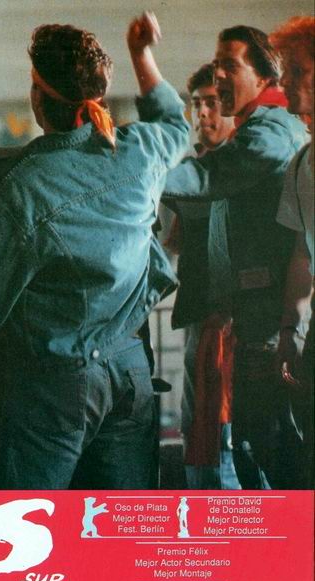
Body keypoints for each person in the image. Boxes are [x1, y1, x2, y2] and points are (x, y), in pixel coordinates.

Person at [0, 13, 190, 489]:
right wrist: (142, 54)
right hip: (131, 368)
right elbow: (176, 122)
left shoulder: (17, 187)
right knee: (121, 522)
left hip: (54, 385)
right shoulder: (139, 150)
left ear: (39, 96)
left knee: (30, 518)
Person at [163, 26, 308, 489]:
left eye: (231, 65)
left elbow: (209, 177)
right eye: (217, 65)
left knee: (272, 453)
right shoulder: (253, 133)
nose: (219, 75)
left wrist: (136, 173)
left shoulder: (269, 134)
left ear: (265, 76)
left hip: (267, 330)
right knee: (255, 448)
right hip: (253, 325)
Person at [162, 63, 239, 489]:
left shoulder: (247, 169)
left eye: (212, 102)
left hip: (239, 325)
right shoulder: (191, 170)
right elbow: (173, 240)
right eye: (197, 104)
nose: (203, 113)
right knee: (198, 427)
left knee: (230, 436)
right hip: (197, 317)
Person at [271, 16, 315, 489]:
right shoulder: (301, 162)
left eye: (298, 71)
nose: (285, 81)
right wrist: (291, 330)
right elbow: (303, 252)